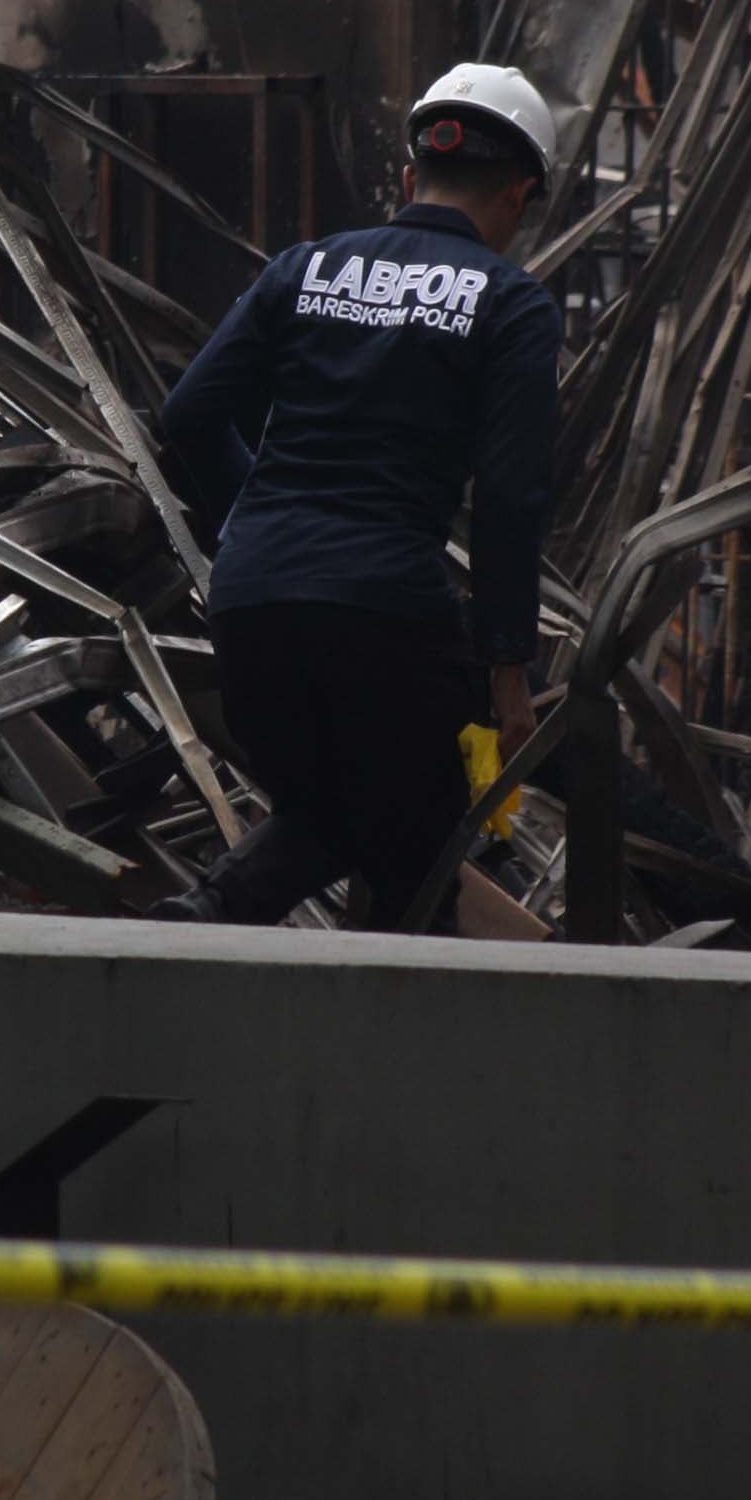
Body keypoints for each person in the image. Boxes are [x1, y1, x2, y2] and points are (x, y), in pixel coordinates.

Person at [146, 63, 564, 928]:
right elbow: (511, 498)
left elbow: (186, 415)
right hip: (384, 613)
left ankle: (208, 920)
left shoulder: (304, 268)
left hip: (252, 603)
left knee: (344, 818)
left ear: (410, 179)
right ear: (519, 196)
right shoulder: (512, 305)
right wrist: (509, 672)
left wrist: (247, 524)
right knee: (411, 844)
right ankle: (226, 923)